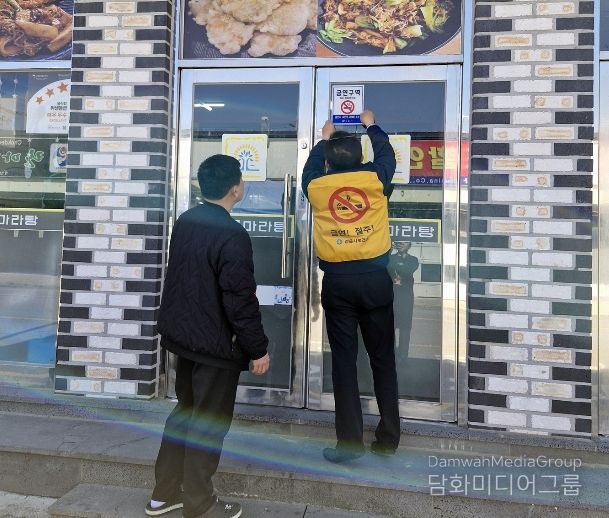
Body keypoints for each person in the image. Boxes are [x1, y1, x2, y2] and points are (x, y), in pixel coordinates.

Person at [146, 154, 270, 518]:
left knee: (185, 414)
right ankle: (200, 504)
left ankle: (163, 495)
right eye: (241, 181)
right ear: (235, 189)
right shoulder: (232, 234)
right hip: (215, 346)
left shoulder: (186, 221)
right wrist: (257, 349)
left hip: (184, 339)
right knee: (208, 423)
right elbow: (240, 300)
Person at [302, 110, 400, 462]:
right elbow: (387, 155)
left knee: (344, 363)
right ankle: (388, 439)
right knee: (382, 359)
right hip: (375, 281)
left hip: (338, 283)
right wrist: (371, 124)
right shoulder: (375, 178)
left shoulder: (316, 186)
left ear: (328, 162)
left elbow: (310, 168)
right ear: (361, 159)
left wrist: (323, 138)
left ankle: (349, 444)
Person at [389, 241, 419, 371]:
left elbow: (408, 270)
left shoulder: (413, 259)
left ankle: (403, 357)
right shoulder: (390, 257)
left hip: (406, 299)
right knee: (390, 328)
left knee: (405, 329)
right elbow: (386, 266)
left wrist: (396, 273)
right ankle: (392, 356)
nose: (401, 244)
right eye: (399, 242)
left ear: (410, 245)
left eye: (405, 242)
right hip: (392, 297)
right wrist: (389, 251)